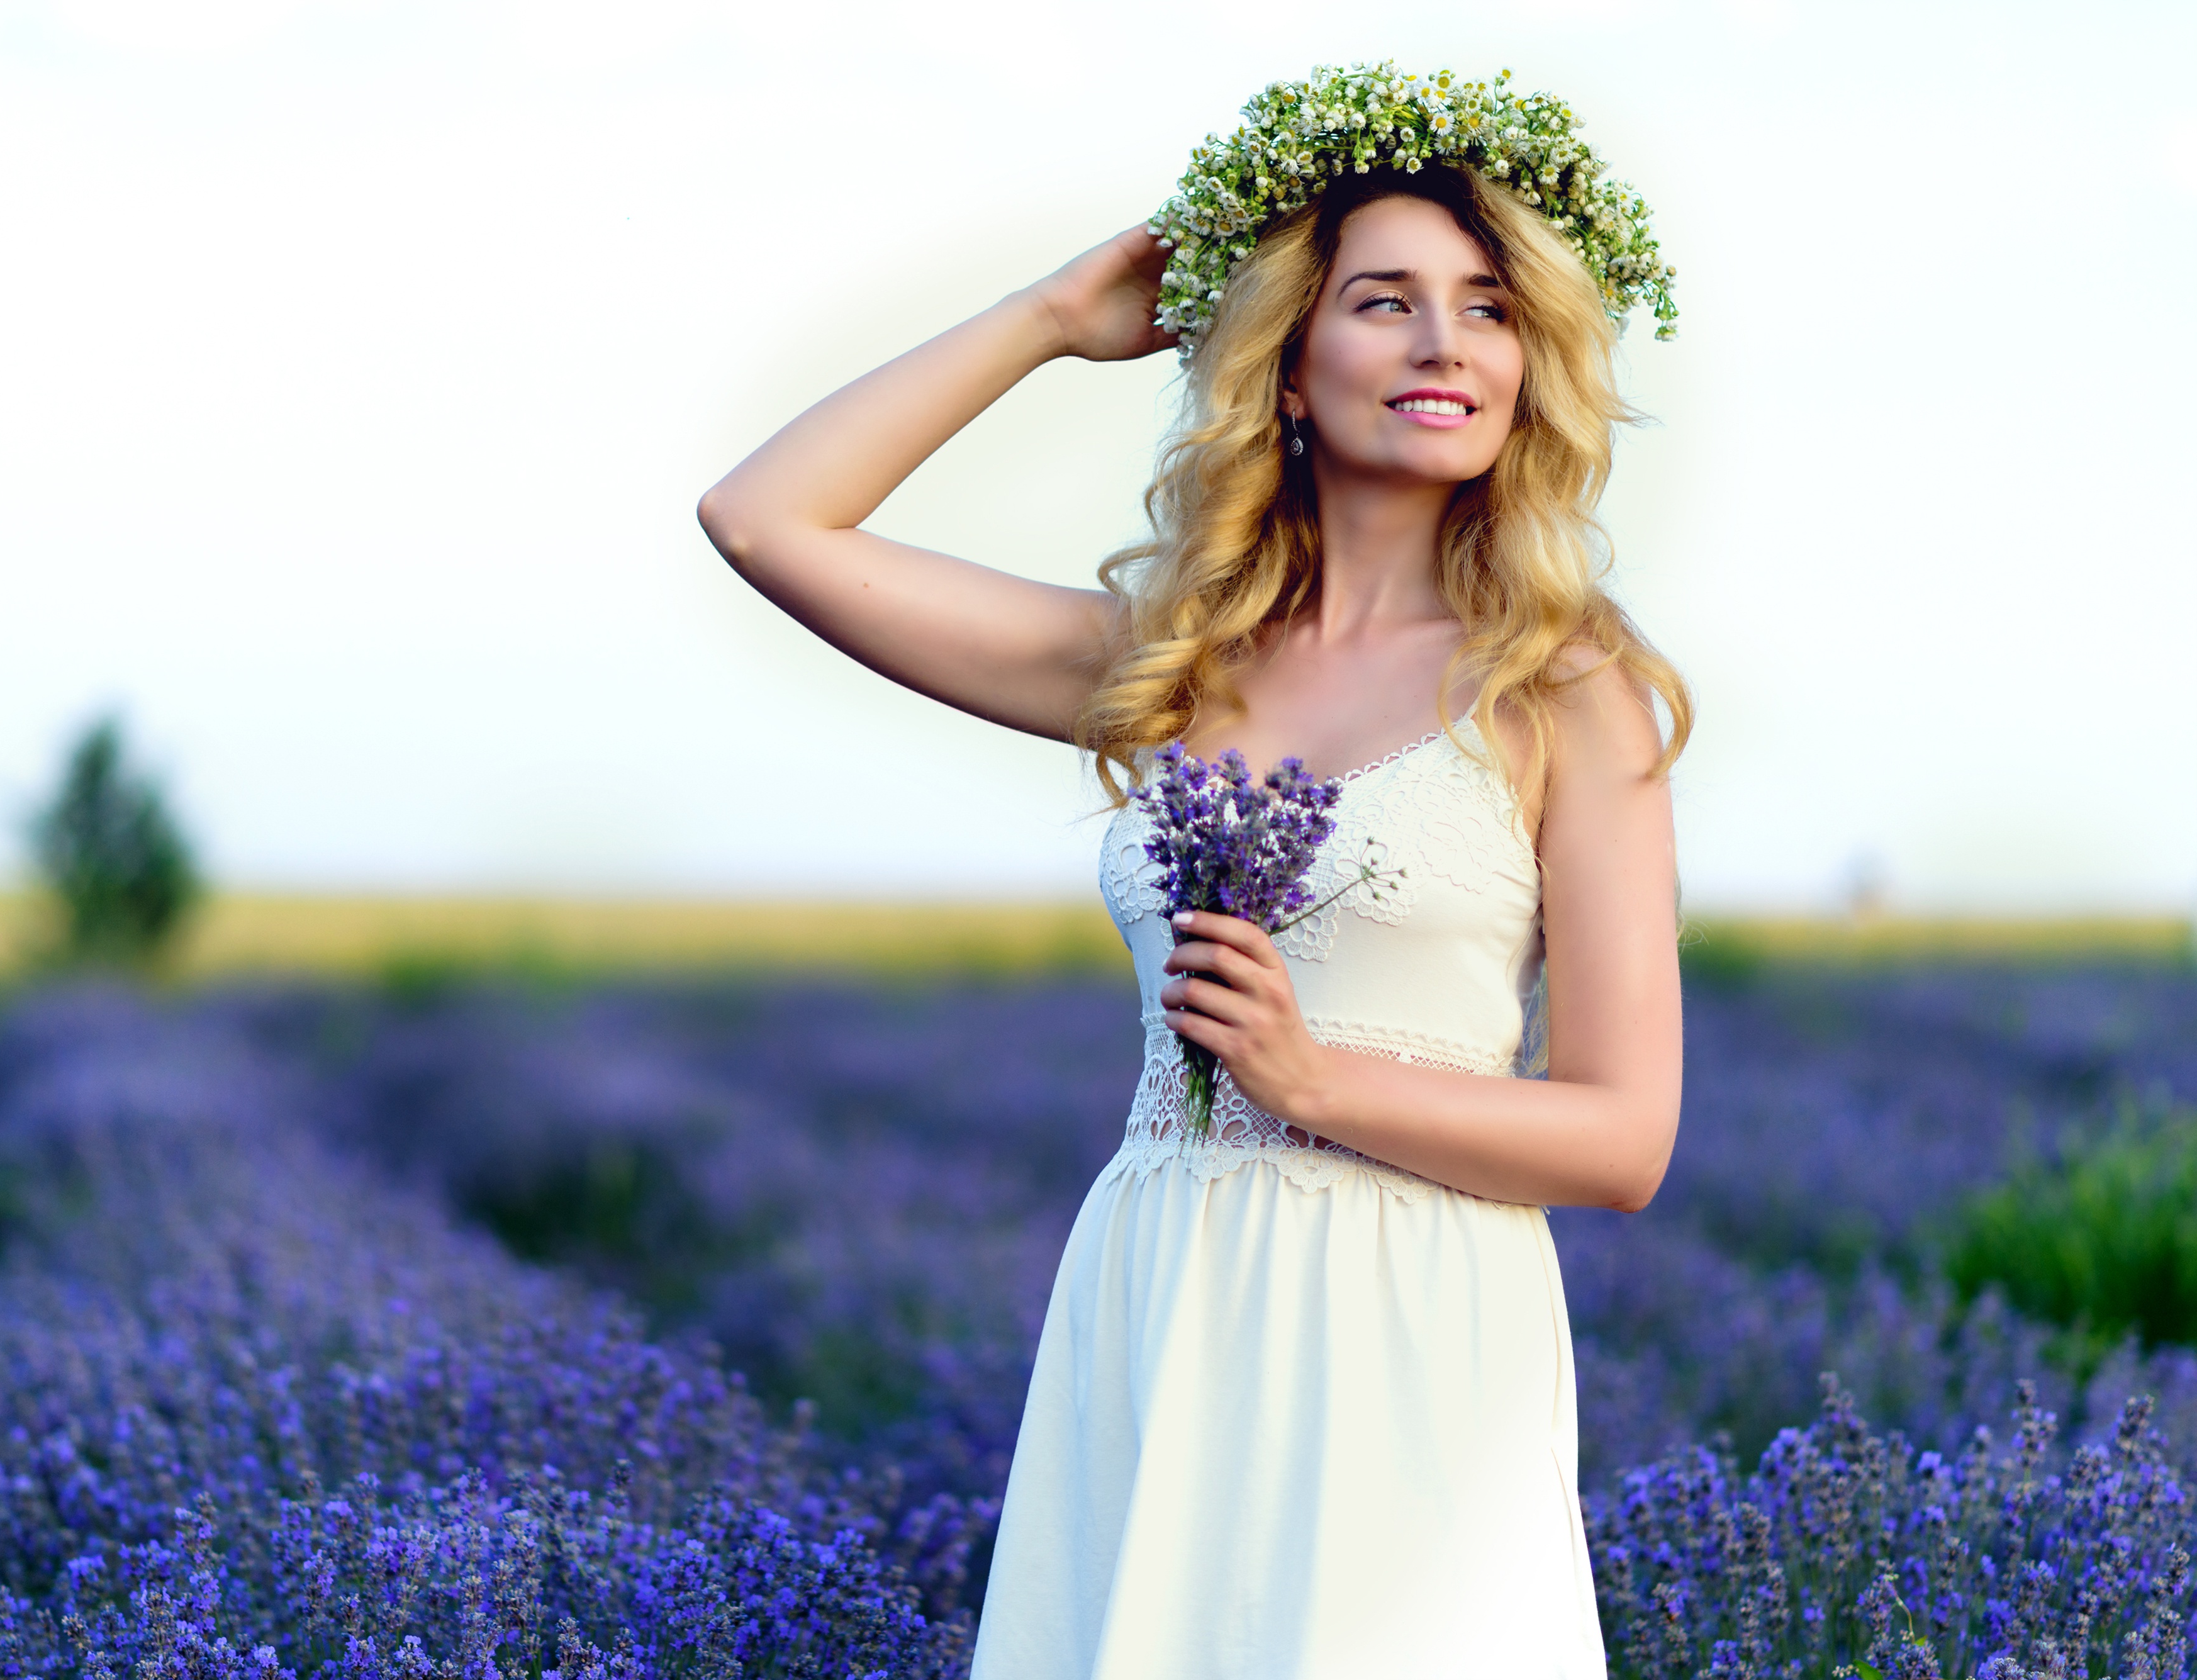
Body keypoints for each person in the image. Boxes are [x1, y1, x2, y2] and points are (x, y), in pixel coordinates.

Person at [696, 77, 1690, 1677]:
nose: (1444, 344)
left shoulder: (1562, 691)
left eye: (1487, 310)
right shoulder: (1167, 665)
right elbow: (764, 521)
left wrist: (1311, 1075)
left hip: (1414, 1327)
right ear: (1289, 365)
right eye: (1384, 303)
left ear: (1529, 366)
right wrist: (1044, 317)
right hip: (1163, 1290)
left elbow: (1624, 1137)